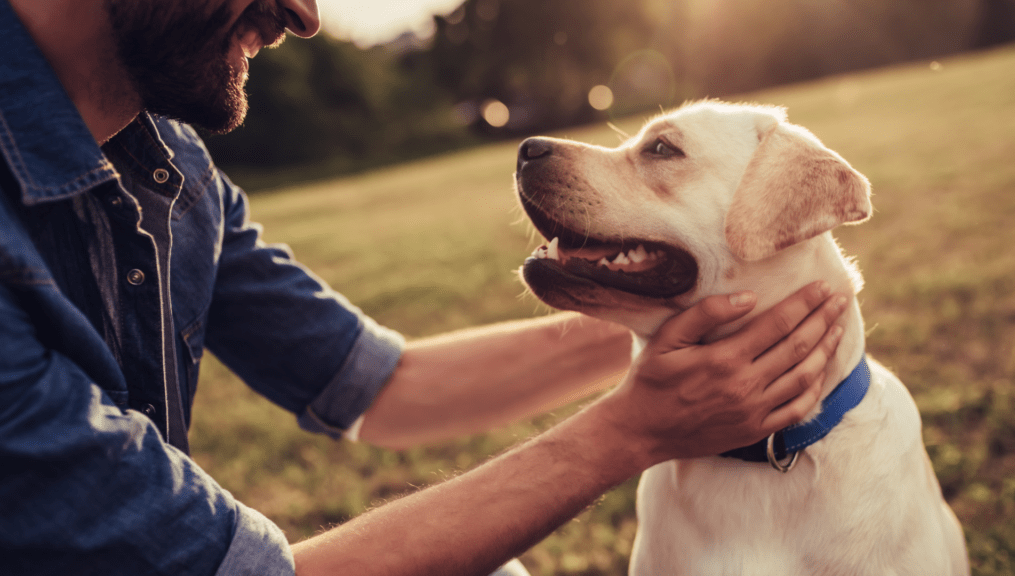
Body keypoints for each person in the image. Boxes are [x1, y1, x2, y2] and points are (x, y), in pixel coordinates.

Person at [0, 1, 849, 575]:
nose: (304, 12)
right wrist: (630, 431)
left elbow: (386, 387)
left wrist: (704, 310)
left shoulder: (172, 168)